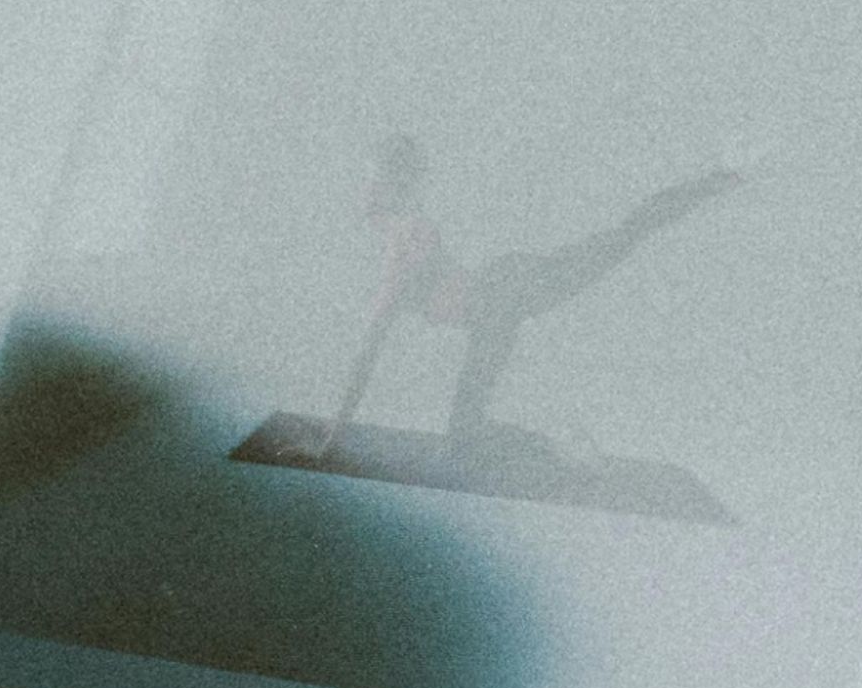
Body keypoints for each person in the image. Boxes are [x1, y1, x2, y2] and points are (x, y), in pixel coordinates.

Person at [317, 133, 744, 453]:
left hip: (513, 288)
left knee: (625, 234)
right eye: (367, 181)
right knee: (463, 436)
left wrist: (333, 435)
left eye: (374, 182)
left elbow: (368, 350)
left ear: (396, 188)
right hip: (494, 312)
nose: (365, 191)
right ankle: (558, 442)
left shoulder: (409, 240)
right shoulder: (399, 229)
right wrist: (334, 431)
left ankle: (722, 177)